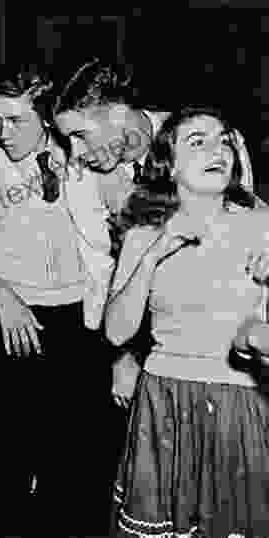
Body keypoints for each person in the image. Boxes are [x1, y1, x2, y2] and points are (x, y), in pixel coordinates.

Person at [0, 63, 117, 537]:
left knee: (78, 473)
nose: (3, 131)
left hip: (79, 329)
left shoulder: (84, 162)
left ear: (45, 117)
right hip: (12, 328)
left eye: (16, 120)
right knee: (5, 469)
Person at [51, 58, 258, 411]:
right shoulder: (80, 178)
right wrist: (122, 359)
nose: (76, 152)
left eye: (79, 135)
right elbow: (101, 274)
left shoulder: (207, 141)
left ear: (116, 113)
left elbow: (245, 236)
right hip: (137, 334)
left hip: (223, 349)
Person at [105, 105, 269, 537]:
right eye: (198, 142)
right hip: (164, 402)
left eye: (225, 140)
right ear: (170, 165)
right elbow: (117, 331)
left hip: (240, 405)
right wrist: (155, 252)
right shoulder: (143, 234)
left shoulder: (262, 224)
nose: (219, 150)